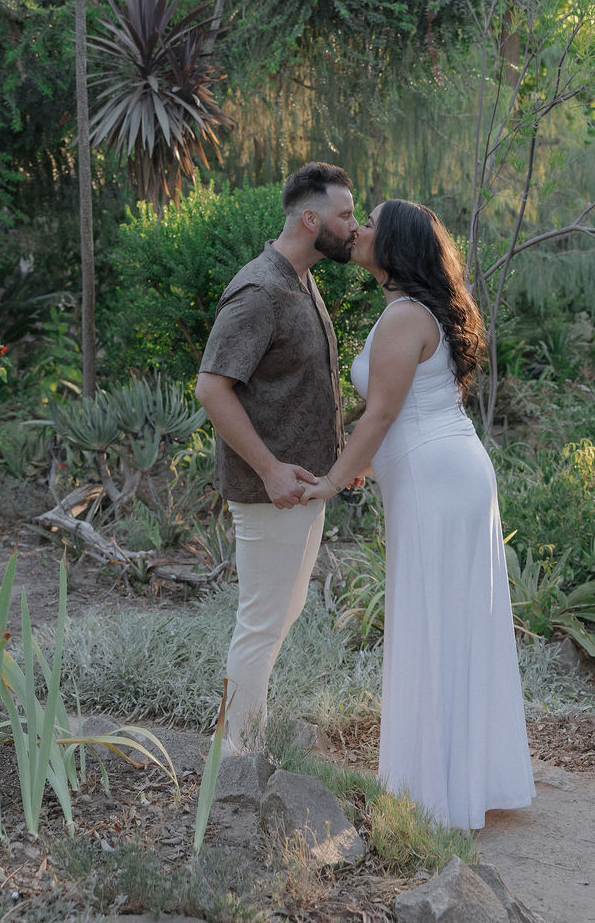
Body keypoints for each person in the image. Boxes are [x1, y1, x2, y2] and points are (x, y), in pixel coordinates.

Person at [303, 199, 536, 831]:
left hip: (439, 479)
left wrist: (330, 480)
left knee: (437, 622)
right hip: (439, 470)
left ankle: (437, 796)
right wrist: (365, 466)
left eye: (371, 222)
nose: (359, 230)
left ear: (397, 244)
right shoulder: (411, 311)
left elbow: (380, 415)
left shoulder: (406, 315)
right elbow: (405, 415)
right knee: (448, 621)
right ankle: (455, 782)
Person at [195, 162, 359, 753]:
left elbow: (297, 386)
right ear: (311, 219)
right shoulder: (261, 289)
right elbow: (211, 388)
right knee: (262, 622)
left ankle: (245, 737)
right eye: (345, 215)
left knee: (280, 616)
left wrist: (341, 458)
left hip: (299, 488)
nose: (354, 227)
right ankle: (237, 753)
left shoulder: (300, 279)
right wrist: (268, 469)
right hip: (272, 491)